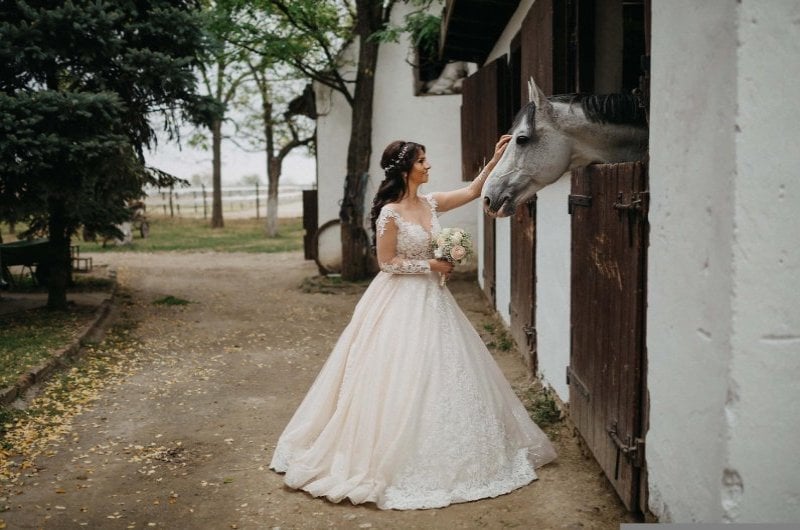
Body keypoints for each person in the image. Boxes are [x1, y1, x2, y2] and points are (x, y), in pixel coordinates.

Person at [270, 137, 557, 510]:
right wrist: (431, 265)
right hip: (398, 301)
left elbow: (473, 190)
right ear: (405, 169)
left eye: (426, 159)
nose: (428, 166)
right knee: (398, 373)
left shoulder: (430, 202)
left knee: (446, 370)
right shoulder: (390, 213)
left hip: (433, 301)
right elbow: (386, 263)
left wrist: (497, 158)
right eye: (422, 161)